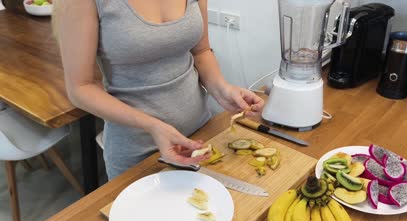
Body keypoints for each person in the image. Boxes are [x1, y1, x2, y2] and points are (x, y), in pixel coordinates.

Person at [52, 0, 264, 179]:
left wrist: (221, 89)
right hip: (139, 151)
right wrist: (153, 126)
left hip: (200, 138)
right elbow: (80, 88)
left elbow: (201, 51)